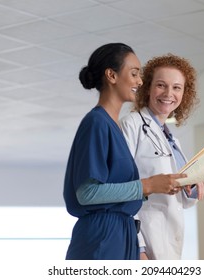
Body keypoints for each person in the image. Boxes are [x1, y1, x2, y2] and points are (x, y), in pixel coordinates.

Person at [63, 43, 187, 260]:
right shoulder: (96, 123)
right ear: (111, 75)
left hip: (122, 233)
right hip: (103, 237)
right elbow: (87, 193)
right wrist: (148, 185)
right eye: (134, 73)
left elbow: (121, 191)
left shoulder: (112, 126)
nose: (140, 81)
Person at [120, 54, 204, 260]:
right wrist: (138, 248)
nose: (169, 93)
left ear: (184, 93)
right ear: (148, 87)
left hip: (169, 243)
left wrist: (192, 188)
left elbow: (179, 202)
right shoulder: (131, 125)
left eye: (177, 87)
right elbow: (121, 189)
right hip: (144, 244)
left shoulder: (170, 138)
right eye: (161, 85)